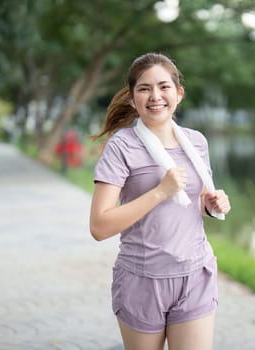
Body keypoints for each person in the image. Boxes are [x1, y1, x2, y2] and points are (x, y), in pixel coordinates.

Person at [89, 52, 231, 350]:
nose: (155, 96)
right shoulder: (121, 147)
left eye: (164, 87)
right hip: (142, 280)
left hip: (195, 274)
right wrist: (158, 192)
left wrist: (211, 205)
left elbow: (194, 202)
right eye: (144, 88)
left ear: (178, 94)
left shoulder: (196, 142)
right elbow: (100, 226)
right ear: (131, 98)